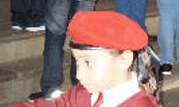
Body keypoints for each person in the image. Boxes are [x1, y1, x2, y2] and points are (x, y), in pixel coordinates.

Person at [9, 10, 160, 107]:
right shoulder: (86, 94)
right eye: (77, 62)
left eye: (87, 62)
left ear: (124, 60)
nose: (78, 75)